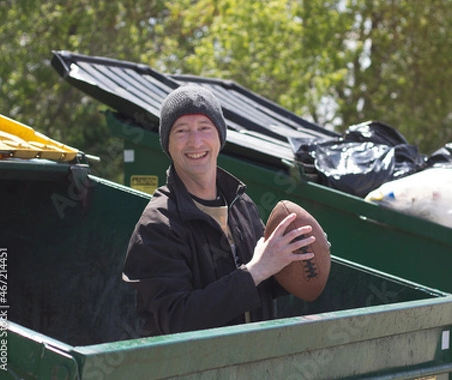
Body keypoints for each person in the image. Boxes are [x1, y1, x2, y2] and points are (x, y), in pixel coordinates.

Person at [122, 83, 315, 336]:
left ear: (220, 138)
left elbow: (261, 284)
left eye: (205, 128)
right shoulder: (158, 225)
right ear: (167, 144)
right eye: (181, 131)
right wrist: (255, 271)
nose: (195, 141)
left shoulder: (241, 205)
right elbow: (177, 320)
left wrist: (297, 256)